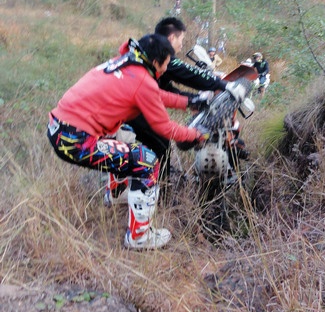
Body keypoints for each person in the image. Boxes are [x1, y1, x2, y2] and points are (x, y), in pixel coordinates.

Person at [47, 33, 208, 250]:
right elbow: (165, 127)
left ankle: (116, 194)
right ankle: (140, 236)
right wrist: (195, 134)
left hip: (60, 129)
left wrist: (189, 102)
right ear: (156, 62)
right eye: (166, 63)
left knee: (121, 139)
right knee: (146, 161)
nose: (166, 68)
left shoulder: (125, 64)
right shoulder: (141, 79)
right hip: (76, 140)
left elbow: (154, 95)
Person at [106, 17, 247, 196]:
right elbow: (189, 74)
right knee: (160, 141)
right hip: (122, 110)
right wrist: (223, 85)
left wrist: (193, 100)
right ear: (172, 38)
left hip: (117, 108)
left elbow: (165, 90)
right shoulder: (159, 56)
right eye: (181, 40)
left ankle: (143, 185)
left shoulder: (144, 52)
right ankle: (158, 191)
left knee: (156, 144)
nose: (181, 46)